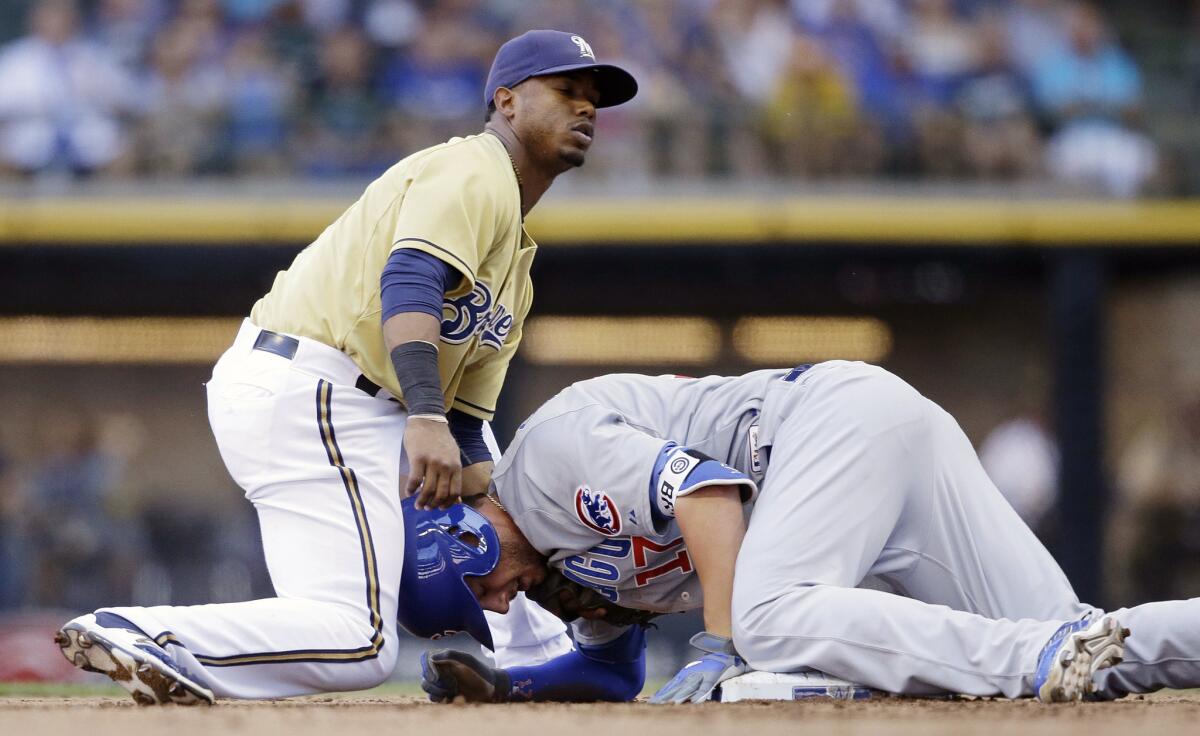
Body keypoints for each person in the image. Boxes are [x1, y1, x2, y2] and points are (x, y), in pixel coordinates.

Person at [54, 29, 637, 706]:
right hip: (322, 388)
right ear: (505, 101)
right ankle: (145, 633)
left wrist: (539, 540)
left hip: (329, 398)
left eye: (594, 98)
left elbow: (472, 436)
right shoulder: (474, 171)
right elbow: (411, 283)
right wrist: (422, 415)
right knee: (360, 641)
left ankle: (540, 660)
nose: (587, 108)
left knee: (352, 628)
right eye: (567, 91)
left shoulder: (516, 265)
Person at [406, 362, 1200, 704]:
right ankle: (1052, 650)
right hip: (862, 459)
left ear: (468, 541)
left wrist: (721, 644)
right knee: (1087, 650)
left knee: (767, 616)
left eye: (483, 591)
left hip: (826, 427)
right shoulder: (559, 569)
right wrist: (515, 686)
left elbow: (710, 496)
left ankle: (1021, 659)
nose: (503, 607)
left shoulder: (545, 457)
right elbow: (614, 676)